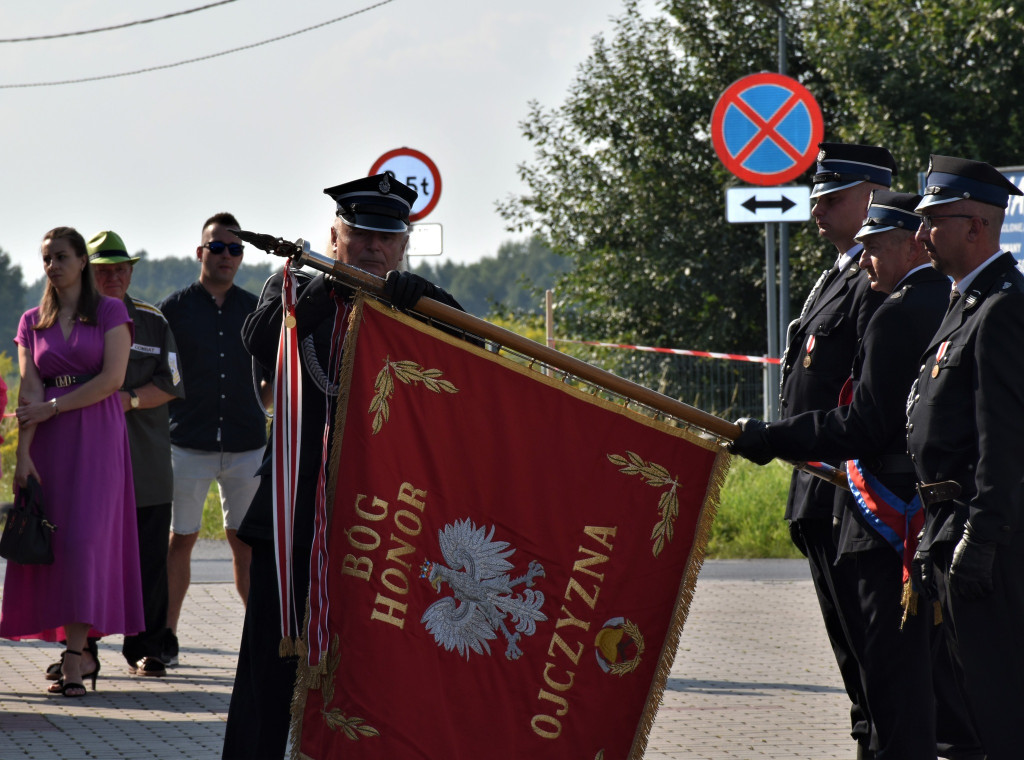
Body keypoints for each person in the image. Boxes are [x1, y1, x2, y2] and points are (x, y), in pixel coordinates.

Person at [223, 173, 470, 759]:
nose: (372, 247)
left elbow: (477, 359)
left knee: (372, 674)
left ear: (403, 246)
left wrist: (428, 299)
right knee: (268, 667)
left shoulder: (415, 306)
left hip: (383, 523)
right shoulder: (291, 291)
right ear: (334, 236)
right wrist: (318, 294)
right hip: (291, 514)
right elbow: (259, 342)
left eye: (387, 238)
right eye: (359, 233)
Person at [731, 191, 980, 759]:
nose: (864, 262)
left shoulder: (898, 312)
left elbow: (866, 423)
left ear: (911, 244)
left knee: (891, 687)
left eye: (875, 248)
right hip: (927, 511)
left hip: (882, 517)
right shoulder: (944, 300)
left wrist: (773, 437)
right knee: (932, 680)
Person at [774, 142, 894, 759]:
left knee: (876, 675)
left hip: (854, 495)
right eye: (815, 198)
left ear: (871, 198)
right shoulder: (838, 274)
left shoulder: (877, 280)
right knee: (854, 665)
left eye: (832, 198)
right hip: (817, 490)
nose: (817, 210)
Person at [907, 155, 1024, 759]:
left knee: (1002, 713)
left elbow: (1003, 442)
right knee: (969, 714)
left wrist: (979, 539)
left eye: (933, 222)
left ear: (976, 225)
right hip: (949, 525)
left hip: (989, 543)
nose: (921, 235)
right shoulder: (964, 303)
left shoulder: (1003, 309)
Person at [0, 226, 143, 697]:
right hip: (48, 442)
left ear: (83, 261)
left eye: (61, 256)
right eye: (46, 258)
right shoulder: (31, 320)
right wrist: (23, 454)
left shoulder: (110, 310)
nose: (52, 265)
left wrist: (55, 408)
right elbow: (31, 388)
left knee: (83, 545)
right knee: (54, 547)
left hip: (97, 436)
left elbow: (112, 379)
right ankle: (70, 655)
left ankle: (76, 659)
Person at [158, 213, 267, 667]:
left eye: (235, 249)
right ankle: (163, 641)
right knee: (180, 539)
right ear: (200, 251)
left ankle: (262, 644)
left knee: (245, 543)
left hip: (246, 444)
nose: (226, 256)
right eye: (217, 247)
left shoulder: (256, 310)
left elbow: (274, 376)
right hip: (188, 442)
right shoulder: (173, 309)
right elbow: (160, 375)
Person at [89, 231, 185, 677]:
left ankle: (148, 647)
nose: (115, 276)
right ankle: (82, 647)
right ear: (89, 273)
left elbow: (170, 384)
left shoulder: (152, 321)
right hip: (88, 464)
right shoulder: (73, 323)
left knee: (149, 562)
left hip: (144, 464)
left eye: (122, 268)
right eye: (105, 269)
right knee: (89, 558)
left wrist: (123, 399)